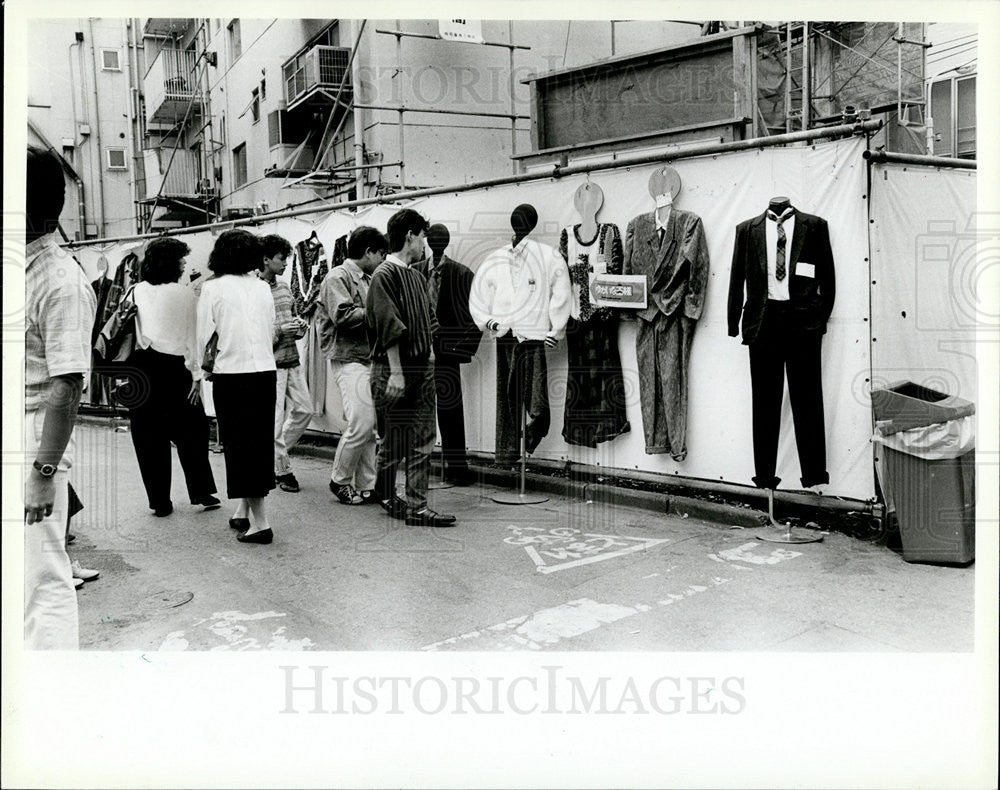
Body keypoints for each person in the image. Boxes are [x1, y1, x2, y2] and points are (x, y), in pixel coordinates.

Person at [23, 145, 97, 648]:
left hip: (33, 435)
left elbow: (67, 384)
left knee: (42, 576)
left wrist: (43, 474)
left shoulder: (62, 280)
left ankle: (51, 696)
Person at [366, 210, 456, 528]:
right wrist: (397, 373)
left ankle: (417, 505)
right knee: (395, 440)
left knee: (423, 437)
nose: (424, 244)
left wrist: (430, 359)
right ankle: (387, 493)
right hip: (394, 370)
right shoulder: (383, 275)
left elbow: (429, 320)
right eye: (421, 237)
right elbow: (388, 326)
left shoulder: (417, 276)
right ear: (410, 236)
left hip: (420, 369)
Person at [197, 230, 278, 544]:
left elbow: (201, 333)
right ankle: (243, 511)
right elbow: (270, 331)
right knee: (258, 445)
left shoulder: (213, 288)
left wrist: (197, 369)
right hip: (264, 372)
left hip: (232, 375)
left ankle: (261, 524)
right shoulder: (262, 287)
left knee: (239, 447)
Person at [129, 237, 220, 516]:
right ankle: (202, 491)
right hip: (175, 367)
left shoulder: (135, 290)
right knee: (192, 430)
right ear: (171, 262)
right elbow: (192, 338)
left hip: (142, 368)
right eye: (181, 259)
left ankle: (159, 500)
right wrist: (196, 376)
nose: (183, 264)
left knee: (148, 436)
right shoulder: (184, 294)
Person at [316, 226, 387, 505]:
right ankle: (340, 480)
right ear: (368, 252)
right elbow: (343, 315)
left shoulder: (367, 278)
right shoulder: (338, 277)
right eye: (381, 253)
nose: (383, 259)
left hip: (366, 358)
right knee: (362, 421)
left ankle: (367, 485)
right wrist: (380, 312)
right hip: (348, 359)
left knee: (369, 425)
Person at [414, 223, 483, 485]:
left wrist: (459, 348)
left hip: (447, 352)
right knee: (417, 410)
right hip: (419, 350)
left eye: (441, 239)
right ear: (428, 241)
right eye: (433, 238)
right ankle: (417, 465)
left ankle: (456, 467)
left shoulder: (462, 274)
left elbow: (475, 316)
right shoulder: (416, 272)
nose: (437, 242)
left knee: (451, 410)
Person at [260, 234, 312, 493]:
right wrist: (282, 329)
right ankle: (283, 469)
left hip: (292, 358)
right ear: (266, 259)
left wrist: (300, 327)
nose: (285, 264)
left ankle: (272, 457)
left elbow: (292, 318)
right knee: (275, 421)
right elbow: (257, 335)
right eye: (281, 259)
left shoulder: (283, 287)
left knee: (305, 410)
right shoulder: (255, 290)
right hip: (272, 364)